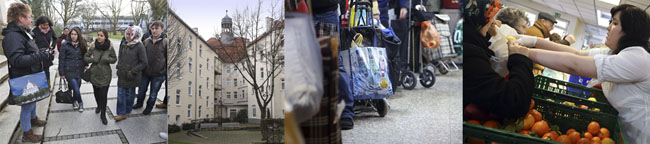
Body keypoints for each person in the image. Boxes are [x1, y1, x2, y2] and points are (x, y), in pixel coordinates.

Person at [513, 4, 650, 143]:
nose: (608, 27)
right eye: (610, 22)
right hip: (624, 129)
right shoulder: (613, 52)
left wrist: (527, 53)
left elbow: (575, 65)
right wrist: (533, 41)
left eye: (615, 23)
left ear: (629, 32)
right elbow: (575, 53)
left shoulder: (637, 58)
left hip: (640, 135)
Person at [463, 0, 534, 119]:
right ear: (478, 19)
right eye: (491, 18)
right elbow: (514, 102)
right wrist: (520, 59)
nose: (497, 22)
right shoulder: (469, 55)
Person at [2, 2, 51, 142]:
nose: (31, 20)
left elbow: (28, 51)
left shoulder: (22, 33)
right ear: (20, 18)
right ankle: (26, 132)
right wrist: (39, 55)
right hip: (23, 77)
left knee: (33, 98)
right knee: (27, 104)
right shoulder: (13, 36)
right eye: (29, 17)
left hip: (31, 73)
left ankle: (33, 118)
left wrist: (41, 52)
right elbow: (17, 60)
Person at [133, 21, 167, 115]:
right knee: (141, 91)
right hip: (145, 72)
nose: (154, 31)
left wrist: (164, 72)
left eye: (156, 29)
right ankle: (139, 103)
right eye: (152, 29)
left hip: (158, 75)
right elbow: (141, 56)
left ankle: (149, 107)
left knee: (153, 94)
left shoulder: (165, 42)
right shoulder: (147, 41)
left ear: (162, 29)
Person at [114, 26, 148, 121]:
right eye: (126, 33)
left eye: (130, 34)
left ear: (136, 35)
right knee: (121, 94)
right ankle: (121, 113)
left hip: (132, 75)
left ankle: (128, 108)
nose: (127, 36)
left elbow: (144, 62)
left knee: (130, 94)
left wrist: (133, 71)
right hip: (122, 74)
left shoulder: (139, 46)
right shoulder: (124, 43)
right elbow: (120, 57)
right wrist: (118, 68)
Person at [84, 29, 117, 125]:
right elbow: (85, 57)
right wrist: (92, 60)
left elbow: (114, 59)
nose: (99, 37)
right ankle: (98, 105)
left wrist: (107, 59)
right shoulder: (93, 46)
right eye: (98, 35)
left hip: (105, 75)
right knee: (96, 94)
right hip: (94, 74)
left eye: (101, 35)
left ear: (105, 37)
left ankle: (103, 114)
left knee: (103, 96)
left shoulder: (110, 47)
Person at [59, 27, 88, 112]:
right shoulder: (65, 44)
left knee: (77, 87)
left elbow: (84, 56)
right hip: (69, 70)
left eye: (75, 34)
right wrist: (61, 72)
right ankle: (80, 102)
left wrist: (86, 64)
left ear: (78, 35)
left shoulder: (82, 44)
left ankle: (74, 100)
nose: (73, 36)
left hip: (79, 69)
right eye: (72, 34)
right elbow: (61, 59)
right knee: (75, 88)